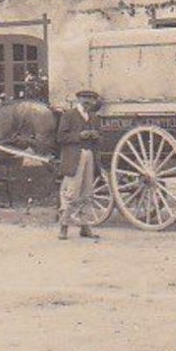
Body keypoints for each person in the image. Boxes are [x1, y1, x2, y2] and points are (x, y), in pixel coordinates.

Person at [57, 89, 103, 240]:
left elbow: (101, 139)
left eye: (91, 98)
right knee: (72, 192)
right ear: (78, 98)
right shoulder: (69, 115)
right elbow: (61, 137)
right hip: (75, 156)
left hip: (89, 155)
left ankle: (85, 226)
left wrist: (96, 136)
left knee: (87, 192)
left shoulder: (94, 118)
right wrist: (79, 136)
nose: (88, 101)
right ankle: (64, 226)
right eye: (85, 97)